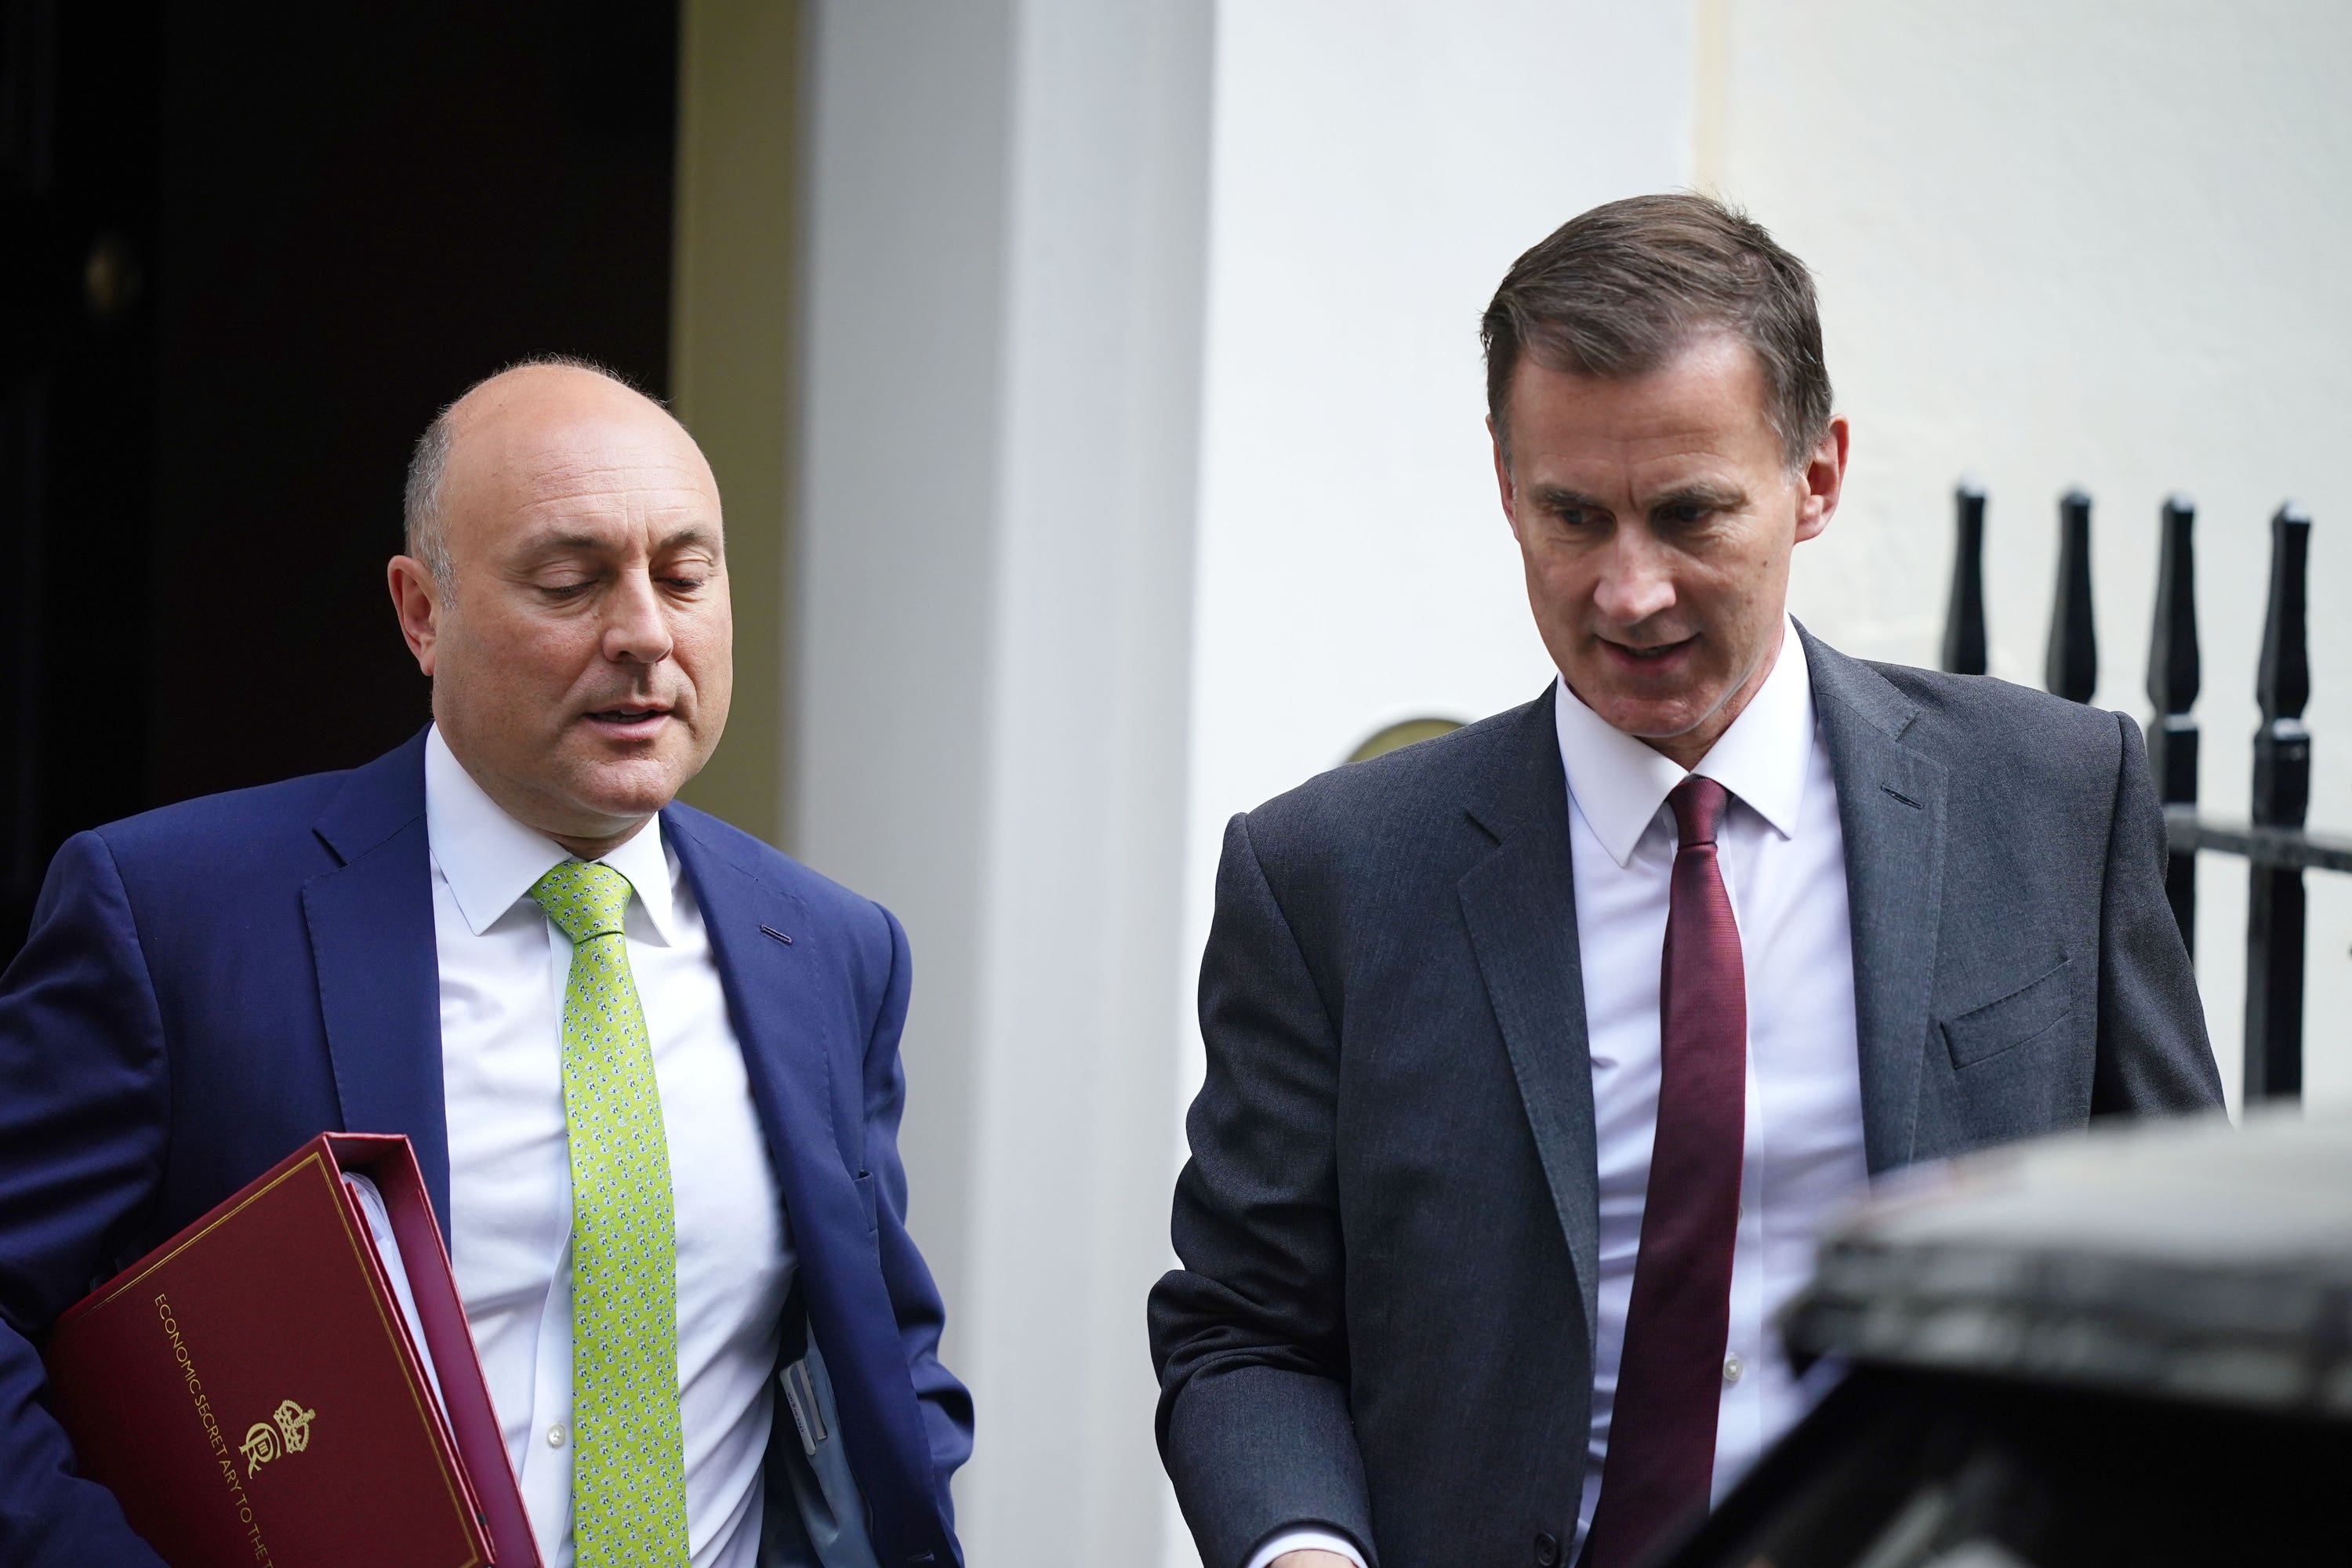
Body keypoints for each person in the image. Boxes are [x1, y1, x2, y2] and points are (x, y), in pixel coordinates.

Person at [1148, 194, 2223, 1568]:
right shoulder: (1330, 879)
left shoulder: (2051, 800)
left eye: (1689, 513)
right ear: (1503, 485)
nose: (1630, 590)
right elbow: (1245, 1332)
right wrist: (1305, 1554)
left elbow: (2183, 1282)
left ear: (1816, 478)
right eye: (1573, 516)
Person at [0, 360, 969, 1568]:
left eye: (685, 576)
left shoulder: (830, 949)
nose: (644, 636)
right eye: (570, 583)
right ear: (421, 613)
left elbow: (886, 1364)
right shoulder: (174, 916)